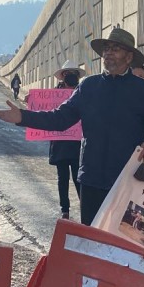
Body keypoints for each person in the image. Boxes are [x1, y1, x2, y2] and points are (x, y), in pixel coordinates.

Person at [0, 27, 144, 225]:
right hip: (91, 178)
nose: (109, 52)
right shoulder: (88, 86)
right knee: (91, 241)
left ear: (129, 57)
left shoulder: (143, 90)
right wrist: (23, 117)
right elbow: (60, 119)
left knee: (123, 246)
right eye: (107, 48)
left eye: (116, 49)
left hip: (127, 180)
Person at [49, 60, 85, 220]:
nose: (71, 77)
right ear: (62, 77)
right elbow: (44, 113)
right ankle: (65, 209)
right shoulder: (53, 96)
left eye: (74, 74)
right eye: (68, 74)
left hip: (78, 144)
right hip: (60, 143)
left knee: (79, 177)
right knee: (62, 178)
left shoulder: (83, 93)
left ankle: (85, 207)